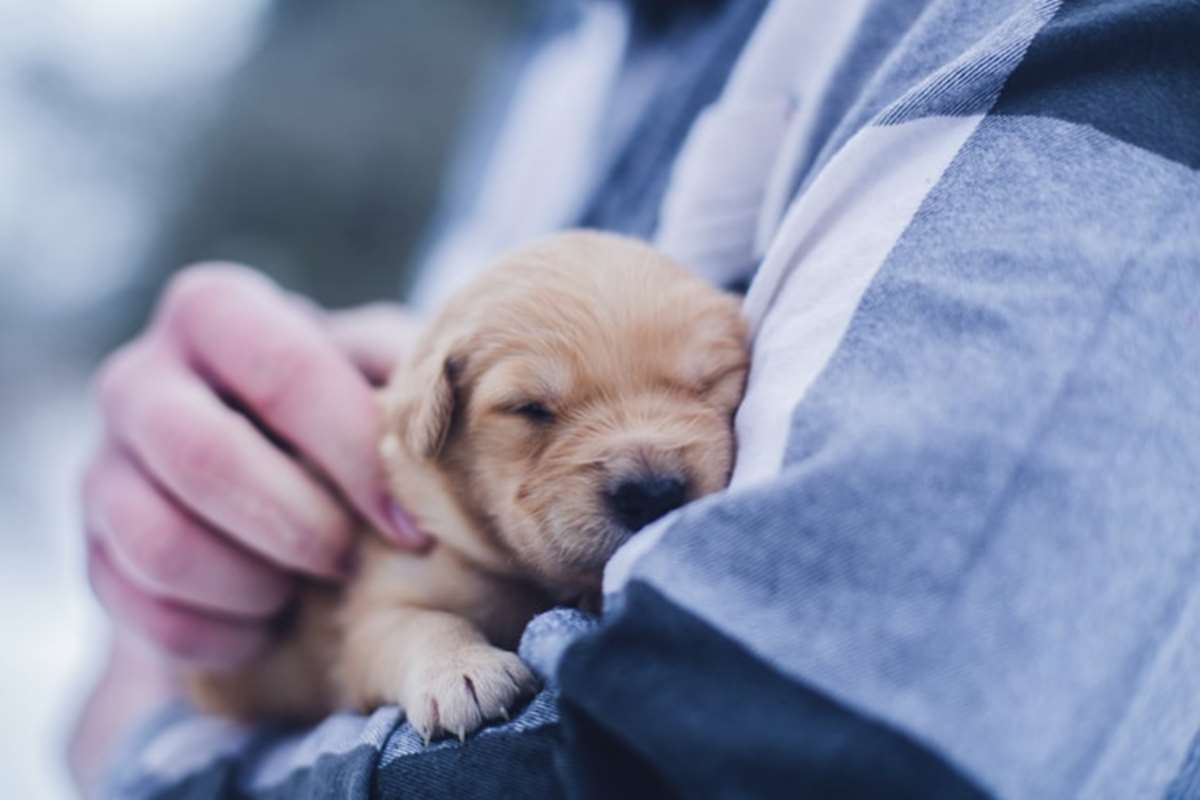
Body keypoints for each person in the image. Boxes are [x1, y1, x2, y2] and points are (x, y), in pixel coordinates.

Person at [72, 0, 1200, 797]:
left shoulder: (1073, 34)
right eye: (536, 411)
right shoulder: (562, 44)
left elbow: (738, 759)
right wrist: (169, 573)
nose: (649, 462)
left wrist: (150, 752)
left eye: (708, 386)